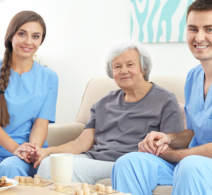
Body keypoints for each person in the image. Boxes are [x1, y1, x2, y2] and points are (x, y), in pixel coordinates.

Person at [111, 0, 212, 195]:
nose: (199, 37)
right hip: (192, 164)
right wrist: (167, 139)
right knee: (128, 163)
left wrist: (171, 154)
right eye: (193, 29)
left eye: (209, 29)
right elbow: (193, 133)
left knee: (191, 167)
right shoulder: (193, 77)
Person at [36, 41, 184, 184]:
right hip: (94, 158)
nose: (123, 71)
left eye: (130, 65)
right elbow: (81, 142)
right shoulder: (103, 103)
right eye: (117, 66)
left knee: (73, 170)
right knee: (48, 163)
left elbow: (172, 144)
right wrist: (49, 151)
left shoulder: (165, 100)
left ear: (144, 68)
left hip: (127, 163)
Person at [0, 11, 58, 178]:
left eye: (35, 36)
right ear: (10, 36)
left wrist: (29, 151)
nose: (28, 41)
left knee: (10, 169)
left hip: (26, 151)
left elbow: (41, 124)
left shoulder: (49, 77)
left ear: (41, 41)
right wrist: (14, 148)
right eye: (22, 34)